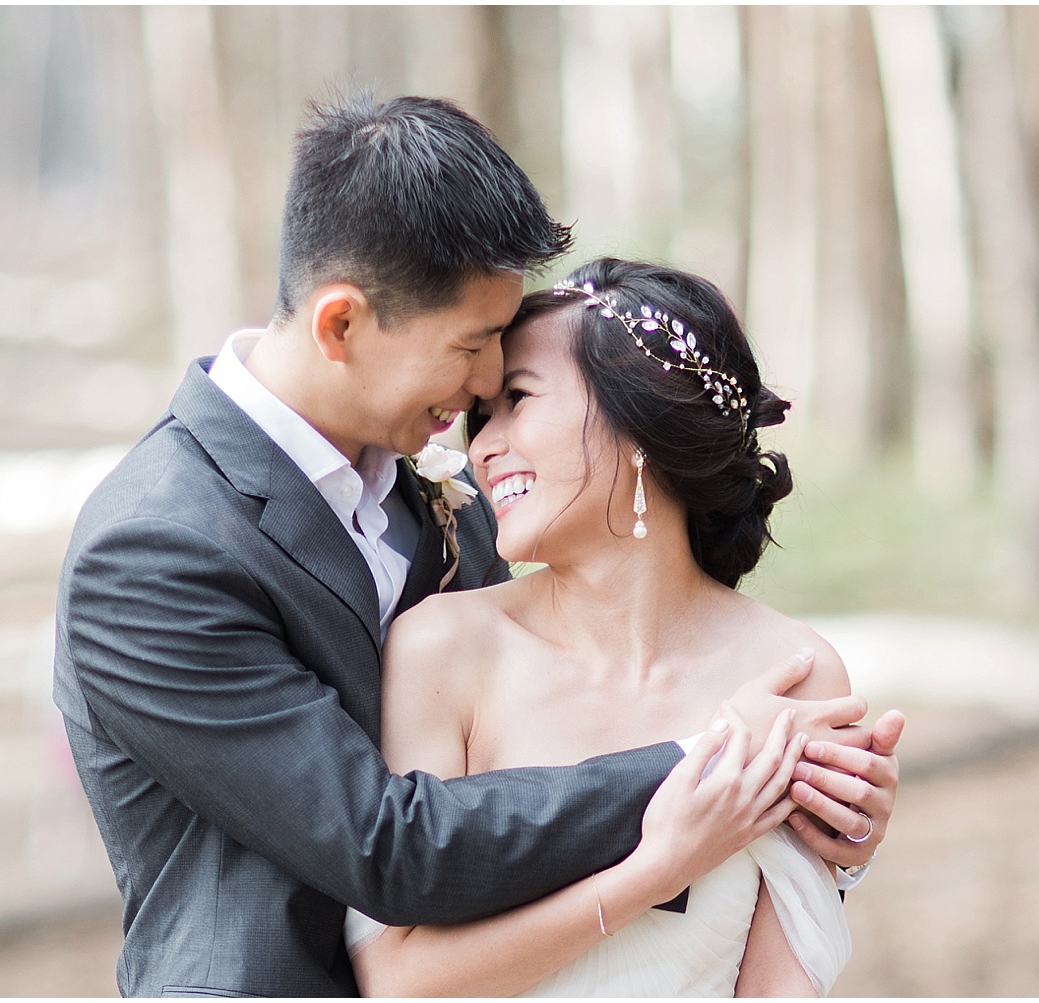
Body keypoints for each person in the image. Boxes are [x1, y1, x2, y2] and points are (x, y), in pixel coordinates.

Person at [53, 95, 901, 998]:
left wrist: (816, 829)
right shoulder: (154, 549)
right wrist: (721, 765)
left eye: (507, 361)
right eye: (473, 345)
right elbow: (389, 845)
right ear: (341, 324)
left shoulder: (438, 494)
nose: (486, 384)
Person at [345, 258, 897, 997]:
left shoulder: (794, 673)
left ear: (636, 424)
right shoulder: (445, 650)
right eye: (483, 419)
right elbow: (398, 979)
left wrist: (843, 852)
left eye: (518, 399)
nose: (482, 446)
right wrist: (656, 872)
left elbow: (775, 986)